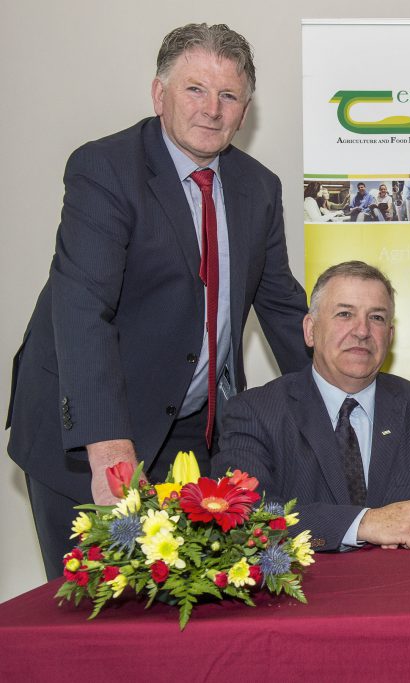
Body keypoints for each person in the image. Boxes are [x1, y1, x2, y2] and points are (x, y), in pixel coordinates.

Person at [6, 23, 310, 579]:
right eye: (195, 89)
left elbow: (283, 307)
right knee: (98, 611)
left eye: (229, 95)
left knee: (192, 605)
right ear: (158, 93)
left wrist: (339, 397)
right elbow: (82, 309)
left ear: (245, 110)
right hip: (92, 430)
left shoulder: (258, 187)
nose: (211, 109)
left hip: (193, 429)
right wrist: (106, 446)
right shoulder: (105, 170)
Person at [213, 262, 410, 550]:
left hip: (404, 589)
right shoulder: (255, 413)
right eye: (345, 314)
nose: (362, 331)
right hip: (307, 592)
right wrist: (363, 523)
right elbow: (246, 516)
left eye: (376, 317)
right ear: (310, 330)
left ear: (390, 335)